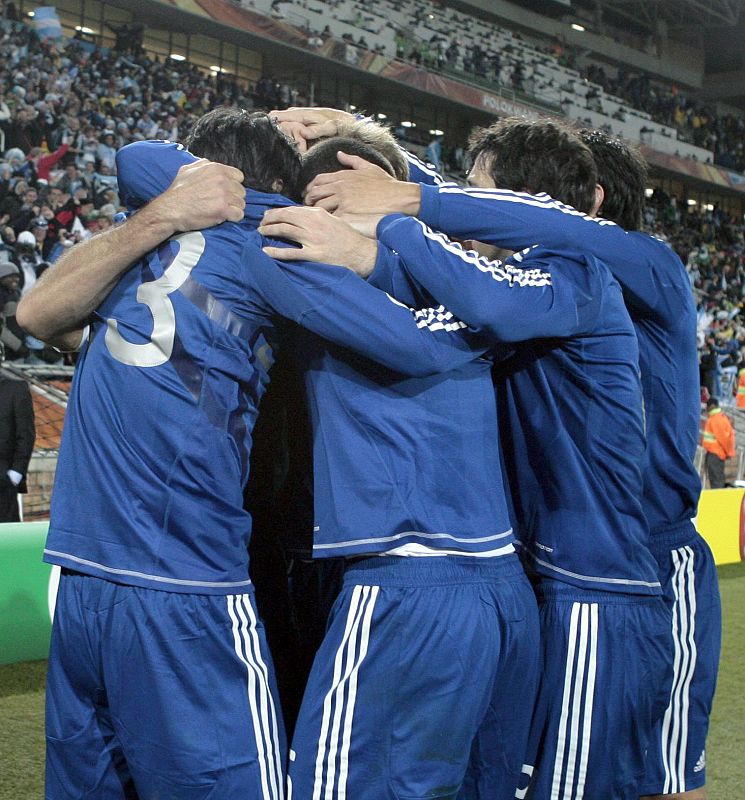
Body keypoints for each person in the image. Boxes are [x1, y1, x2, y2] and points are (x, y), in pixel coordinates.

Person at [18, 109, 510, 800]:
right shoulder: (268, 241)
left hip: (82, 576)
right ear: (277, 189)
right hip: (187, 581)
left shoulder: (132, 259)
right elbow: (419, 343)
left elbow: (38, 308)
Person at [265, 110, 671, 800]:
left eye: (476, 190)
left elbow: (481, 300)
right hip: (536, 584)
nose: (462, 202)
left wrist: (394, 219)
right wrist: (368, 155)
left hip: (595, 589)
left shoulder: (572, 268)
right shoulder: (479, 279)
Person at [0, 365, 35, 522]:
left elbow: (26, 434)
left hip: (4, 483)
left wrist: (15, 474)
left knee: (6, 543)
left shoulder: (16, 389)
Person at [702, 397, 735, 490]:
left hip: (715, 455)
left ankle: (718, 503)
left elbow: (723, 439)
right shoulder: (717, 418)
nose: (706, 409)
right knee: (716, 480)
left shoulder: (716, 419)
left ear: (712, 406)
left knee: (717, 483)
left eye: (707, 407)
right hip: (715, 454)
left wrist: (729, 453)